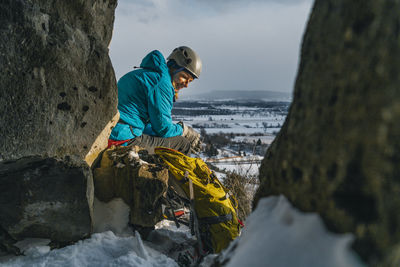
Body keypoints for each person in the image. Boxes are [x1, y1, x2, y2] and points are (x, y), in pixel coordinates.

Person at [108, 46, 202, 155]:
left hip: (115, 131)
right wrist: (184, 130)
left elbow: (151, 126)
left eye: (189, 81)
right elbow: (163, 129)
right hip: (122, 139)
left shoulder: (147, 74)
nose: (186, 85)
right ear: (174, 67)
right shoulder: (162, 83)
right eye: (184, 77)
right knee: (182, 144)